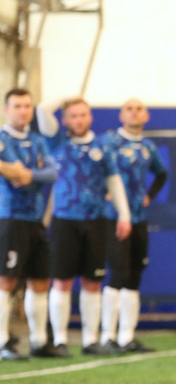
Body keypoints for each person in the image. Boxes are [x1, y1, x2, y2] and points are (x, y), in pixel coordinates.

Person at [37, 98, 132, 356]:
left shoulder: (102, 146)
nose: (79, 120)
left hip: (96, 220)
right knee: (62, 281)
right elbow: (42, 110)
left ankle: (91, 340)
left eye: (83, 115)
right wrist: (66, 98)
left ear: (90, 117)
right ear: (65, 120)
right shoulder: (57, 141)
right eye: (73, 115)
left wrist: (124, 215)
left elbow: (114, 181)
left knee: (93, 281)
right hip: (64, 220)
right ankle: (60, 340)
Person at [100, 99, 168, 353]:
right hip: (114, 217)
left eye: (139, 109)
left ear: (146, 116)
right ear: (121, 115)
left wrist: (149, 195)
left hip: (139, 218)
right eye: (129, 109)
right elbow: (95, 169)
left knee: (134, 274)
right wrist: (104, 191)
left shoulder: (147, 146)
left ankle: (127, 336)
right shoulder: (110, 142)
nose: (134, 113)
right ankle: (107, 336)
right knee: (118, 272)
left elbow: (161, 173)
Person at [0, 88, 59, 360]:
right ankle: (3, 342)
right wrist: (18, 171)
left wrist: (28, 174)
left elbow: (53, 172)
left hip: (36, 219)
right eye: (17, 106)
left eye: (27, 106)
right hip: (10, 217)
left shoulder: (37, 140)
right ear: (6, 109)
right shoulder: (3, 139)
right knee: (7, 279)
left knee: (40, 280)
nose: (23, 111)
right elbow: (12, 170)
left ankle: (39, 341)